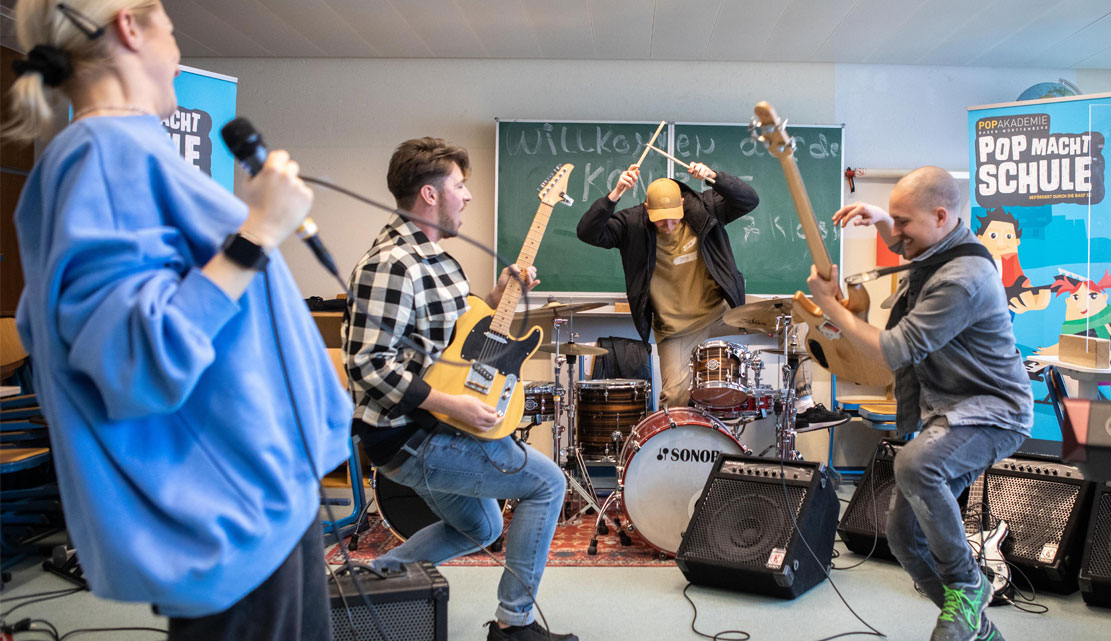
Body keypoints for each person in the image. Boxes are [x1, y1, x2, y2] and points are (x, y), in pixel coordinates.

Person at [6, 2, 350, 640]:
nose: (176, 39)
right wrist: (257, 232)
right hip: (230, 515)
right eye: (166, 20)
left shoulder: (126, 151)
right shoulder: (102, 155)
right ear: (129, 27)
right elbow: (133, 359)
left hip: (264, 500)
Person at [343, 137, 576, 641]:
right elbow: (366, 366)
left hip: (438, 422)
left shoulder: (439, 260)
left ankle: (364, 582)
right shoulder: (391, 264)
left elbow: (459, 334)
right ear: (429, 195)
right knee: (548, 483)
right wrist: (456, 406)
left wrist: (501, 294)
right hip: (408, 434)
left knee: (485, 528)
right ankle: (514, 626)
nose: (467, 196)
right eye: (460, 185)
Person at [810, 167, 1033, 641]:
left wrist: (831, 311)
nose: (897, 233)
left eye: (903, 222)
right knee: (903, 539)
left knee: (915, 466)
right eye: (894, 219)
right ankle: (979, 628)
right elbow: (909, 241)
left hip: (994, 410)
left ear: (940, 215)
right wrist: (882, 219)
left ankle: (968, 588)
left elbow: (895, 349)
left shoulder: (963, 278)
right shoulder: (939, 246)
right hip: (950, 408)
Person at [576, 163, 849, 431]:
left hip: (724, 312)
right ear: (647, 210)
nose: (668, 225)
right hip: (676, 329)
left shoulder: (704, 209)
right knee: (674, 400)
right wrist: (614, 195)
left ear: (683, 204)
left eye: (674, 216)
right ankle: (673, 460)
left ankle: (803, 405)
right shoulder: (631, 224)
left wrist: (715, 177)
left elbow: (748, 200)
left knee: (796, 314)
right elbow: (587, 232)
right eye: (660, 218)